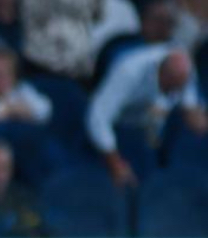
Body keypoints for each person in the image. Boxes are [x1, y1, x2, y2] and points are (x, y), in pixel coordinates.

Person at [87, 47, 207, 186]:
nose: (175, 93)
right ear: (163, 75)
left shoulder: (185, 71)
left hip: (148, 132)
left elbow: (193, 114)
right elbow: (97, 117)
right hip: (117, 128)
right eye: (172, 87)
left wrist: (199, 121)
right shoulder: (129, 71)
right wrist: (115, 163)